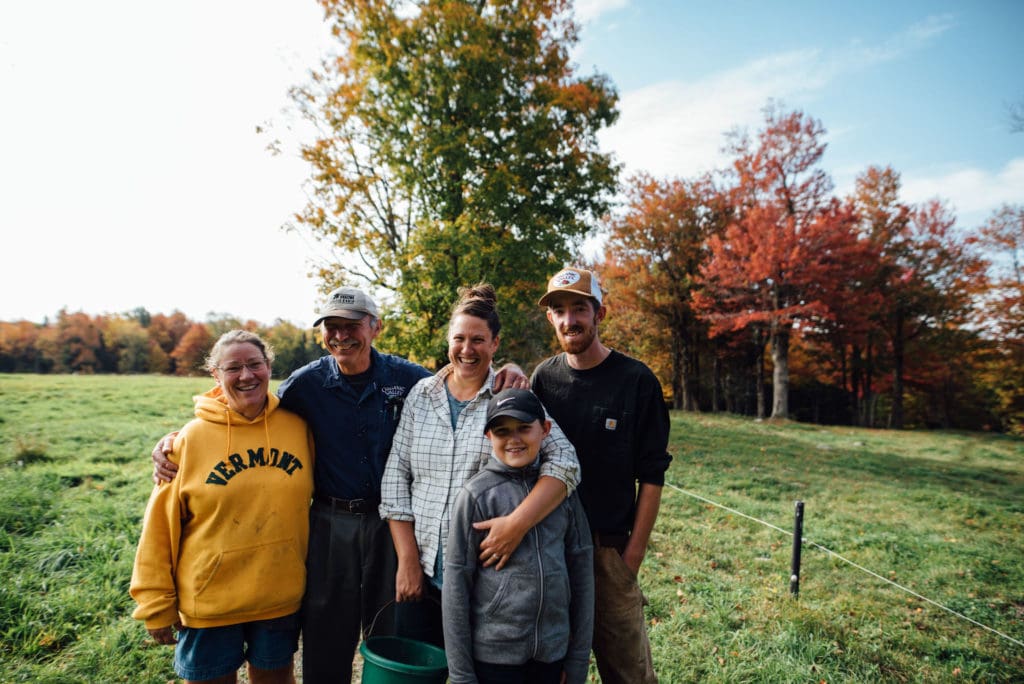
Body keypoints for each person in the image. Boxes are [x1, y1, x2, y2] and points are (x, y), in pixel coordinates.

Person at [150, 286, 530, 684]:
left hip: (392, 523)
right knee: (326, 634)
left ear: (375, 327)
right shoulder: (304, 385)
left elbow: (462, 377)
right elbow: (249, 409)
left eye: (352, 325)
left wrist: (511, 368)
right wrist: (179, 439)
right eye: (331, 326)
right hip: (330, 521)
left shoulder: (410, 379)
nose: (341, 335)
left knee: (391, 626)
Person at [379, 284, 580, 648]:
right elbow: (396, 477)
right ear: (448, 341)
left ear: (495, 344)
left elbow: (565, 461)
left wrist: (516, 525)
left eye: (478, 340)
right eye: (459, 339)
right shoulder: (421, 396)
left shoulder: (509, 399)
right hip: (422, 569)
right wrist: (407, 559)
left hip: (486, 575)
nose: (467, 350)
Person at [131, 330, 314, 684]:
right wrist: (155, 605)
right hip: (209, 603)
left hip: (279, 596)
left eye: (254, 364)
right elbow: (158, 529)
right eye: (233, 368)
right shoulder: (190, 440)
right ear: (215, 375)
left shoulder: (298, 427)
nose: (246, 375)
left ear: (268, 367)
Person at [530, 267, 672, 684]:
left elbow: (652, 475)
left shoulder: (637, 381)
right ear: (550, 319)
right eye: (559, 310)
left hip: (609, 553)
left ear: (600, 314)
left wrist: (633, 558)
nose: (569, 320)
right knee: (552, 668)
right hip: (552, 550)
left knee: (628, 673)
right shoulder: (544, 379)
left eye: (579, 309)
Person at [442, 388, 593, 684]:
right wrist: (461, 676)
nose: (514, 439)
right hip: (494, 658)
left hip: (552, 653)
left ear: (545, 429)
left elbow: (582, 572)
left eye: (524, 428)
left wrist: (577, 659)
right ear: (488, 438)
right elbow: (456, 586)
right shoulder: (475, 496)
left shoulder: (561, 493)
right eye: (502, 431)